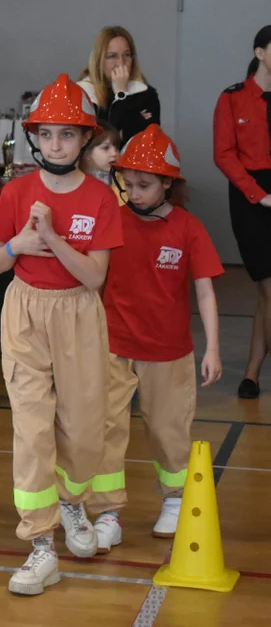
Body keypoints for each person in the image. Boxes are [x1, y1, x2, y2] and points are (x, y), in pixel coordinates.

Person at [0, 74, 123, 596]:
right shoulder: (17, 191)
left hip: (79, 313)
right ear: (34, 138)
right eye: (46, 134)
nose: (56, 144)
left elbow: (95, 277)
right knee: (32, 429)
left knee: (84, 428)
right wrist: (18, 244)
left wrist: (53, 239)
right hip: (25, 311)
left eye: (67, 134)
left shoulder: (101, 197)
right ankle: (40, 544)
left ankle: (71, 502)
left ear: (85, 138)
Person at [89, 125, 223, 554]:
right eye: (128, 185)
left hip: (168, 352)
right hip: (113, 345)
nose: (134, 193)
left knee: (169, 429)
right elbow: (94, 280)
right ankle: (107, 512)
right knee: (106, 428)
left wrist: (213, 348)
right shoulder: (114, 221)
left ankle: (176, 499)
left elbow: (205, 291)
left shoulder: (189, 229)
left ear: (168, 183)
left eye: (144, 185)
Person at [214, 25, 271, 400]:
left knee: (268, 294)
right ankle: (253, 373)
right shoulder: (232, 98)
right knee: (269, 286)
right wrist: (259, 195)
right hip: (251, 200)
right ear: (260, 53)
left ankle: (251, 374)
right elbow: (223, 154)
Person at [77, 26, 160, 143]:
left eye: (126, 55)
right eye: (112, 56)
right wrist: (136, 117)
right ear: (99, 60)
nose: (121, 63)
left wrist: (121, 94)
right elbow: (106, 140)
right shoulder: (83, 93)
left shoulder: (146, 94)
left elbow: (145, 140)